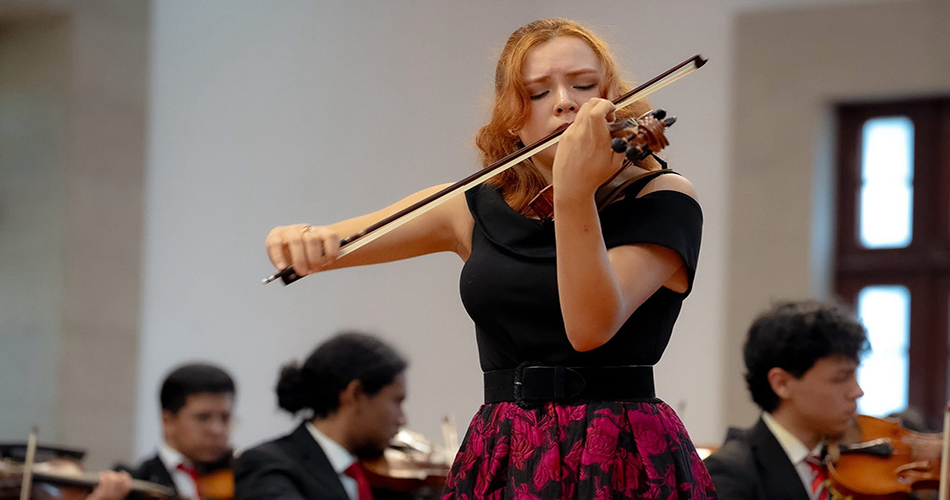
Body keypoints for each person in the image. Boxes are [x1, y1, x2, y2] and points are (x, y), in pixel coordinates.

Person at [265, 18, 714, 499]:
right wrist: (296, 238)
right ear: (513, 118)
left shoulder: (662, 198)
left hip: (619, 448)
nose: (565, 101)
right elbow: (334, 241)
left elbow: (589, 327)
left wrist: (574, 193)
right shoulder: (474, 207)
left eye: (584, 85)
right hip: (505, 448)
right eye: (538, 93)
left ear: (610, 98)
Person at [704, 300, 869, 500]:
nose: (857, 391)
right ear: (781, 383)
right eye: (840, 378)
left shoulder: (856, 464)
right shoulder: (730, 473)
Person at [234, 331, 408, 500]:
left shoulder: (381, 478)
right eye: (396, 402)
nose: (402, 420)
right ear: (355, 394)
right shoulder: (268, 465)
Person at [128, 363, 236, 500]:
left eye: (225, 418)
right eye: (203, 418)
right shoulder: (137, 482)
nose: (217, 430)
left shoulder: (243, 475)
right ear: (167, 421)